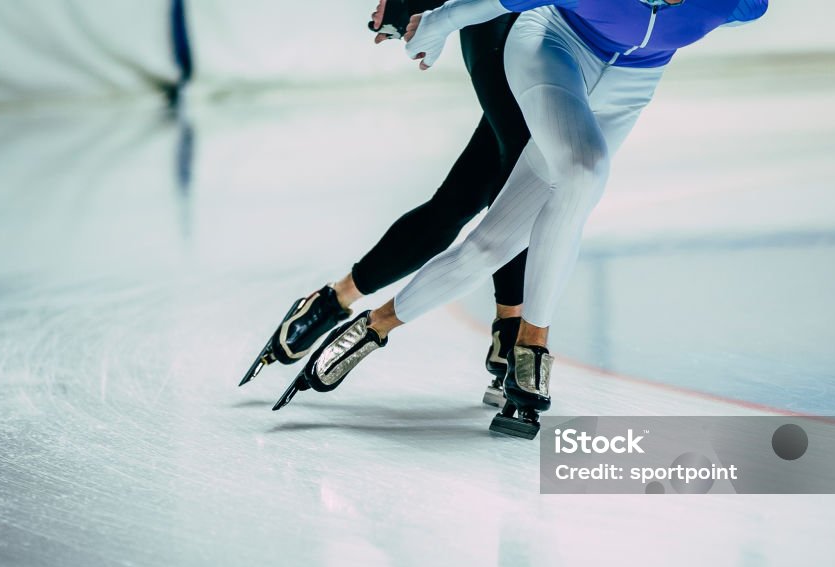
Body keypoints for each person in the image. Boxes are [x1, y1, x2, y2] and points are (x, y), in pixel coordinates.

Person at [273, 0, 769, 438]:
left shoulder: (731, 3)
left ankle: (371, 326)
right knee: (573, 169)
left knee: (488, 228)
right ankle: (524, 343)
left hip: (622, 77)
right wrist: (425, 12)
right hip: (536, 40)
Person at [240, 0, 530, 407]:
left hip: (565, 32)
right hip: (498, 18)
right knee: (520, 160)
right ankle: (512, 333)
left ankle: (335, 299)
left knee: (463, 197)